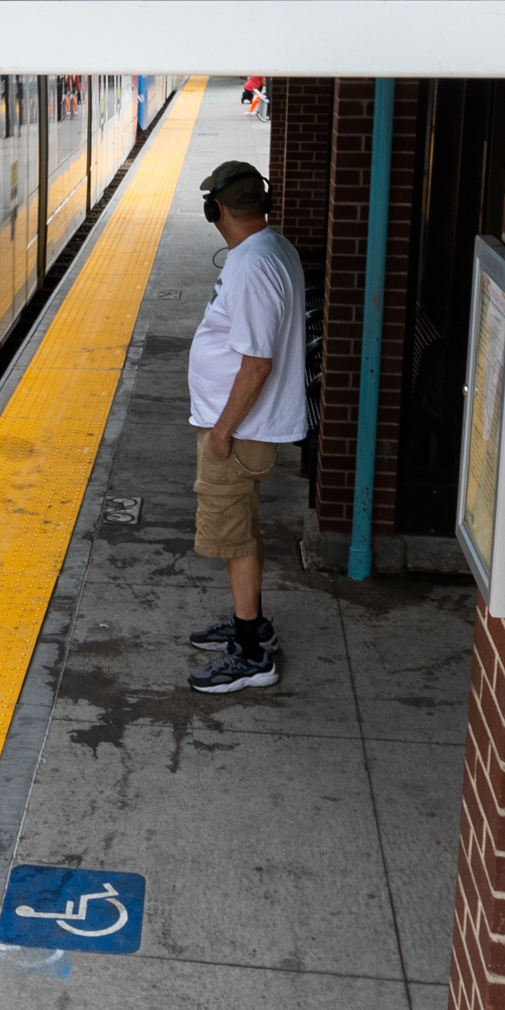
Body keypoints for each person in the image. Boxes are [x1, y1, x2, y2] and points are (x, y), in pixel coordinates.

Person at [185, 159, 309, 694]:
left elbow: (257, 363)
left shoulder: (256, 265)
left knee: (233, 536)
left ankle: (252, 654)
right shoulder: (267, 249)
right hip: (241, 428)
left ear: (216, 209)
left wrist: (221, 431)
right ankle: (250, 623)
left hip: (237, 433)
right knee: (245, 528)